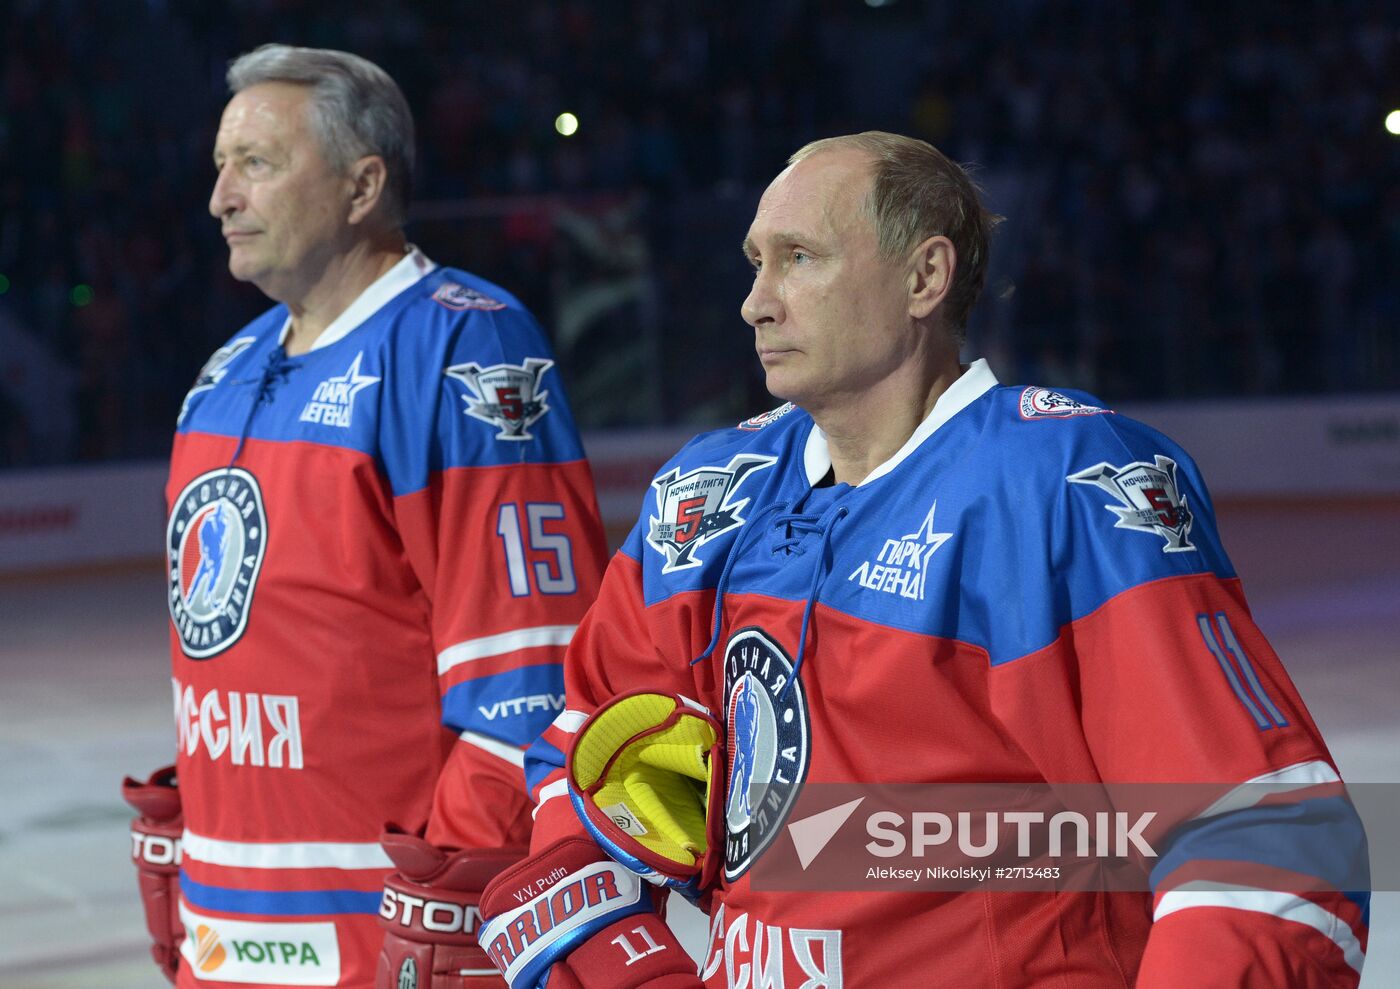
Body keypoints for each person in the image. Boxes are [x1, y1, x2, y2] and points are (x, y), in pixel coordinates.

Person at [474, 132, 1369, 988]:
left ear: (925, 277)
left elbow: (1268, 835)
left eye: (800, 257)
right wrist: (611, 940)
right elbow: (585, 745)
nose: (757, 301)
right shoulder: (707, 496)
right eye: (755, 261)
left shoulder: (1059, 485)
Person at [122, 44, 607, 989]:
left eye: (256, 164)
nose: (221, 197)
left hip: (376, 950)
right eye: (220, 167)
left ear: (361, 185)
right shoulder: (222, 375)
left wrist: (448, 905)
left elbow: (531, 680)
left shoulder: (461, 344)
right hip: (224, 936)